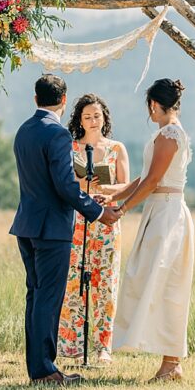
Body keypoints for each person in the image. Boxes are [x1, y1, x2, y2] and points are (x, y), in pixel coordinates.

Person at [9, 74, 120, 385]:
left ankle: (38, 368)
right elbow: (65, 186)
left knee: (35, 297)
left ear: (35, 100)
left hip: (26, 225)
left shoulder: (23, 131)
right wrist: (99, 212)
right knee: (48, 298)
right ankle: (44, 370)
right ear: (63, 100)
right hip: (52, 229)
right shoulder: (57, 134)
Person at [108, 79, 194, 382]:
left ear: (153, 105)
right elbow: (143, 179)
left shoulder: (169, 135)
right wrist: (112, 196)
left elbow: (153, 181)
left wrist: (123, 209)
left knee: (166, 282)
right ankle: (169, 361)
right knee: (152, 280)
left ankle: (172, 363)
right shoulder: (166, 133)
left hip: (167, 214)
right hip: (159, 210)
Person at [58, 93, 130, 364]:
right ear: (79, 119)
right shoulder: (70, 147)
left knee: (105, 283)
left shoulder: (116, 148)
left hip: (107, 222)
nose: (92, 121)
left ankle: (104, 347)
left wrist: (103, 189)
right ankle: (71, 344)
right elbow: (65, 182)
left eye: (97, 116)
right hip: (76, 221)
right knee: (73, 281)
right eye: (87, 116)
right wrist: (82, 185)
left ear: (104, 118)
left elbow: (127, 185)